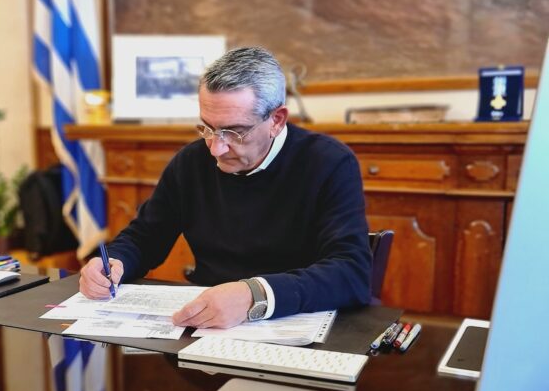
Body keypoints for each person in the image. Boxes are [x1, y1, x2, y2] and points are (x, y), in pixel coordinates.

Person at [80, 47, 372, 328]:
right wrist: (114, 263)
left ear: (276, 120)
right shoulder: (191, 162)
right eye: (207, 128)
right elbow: (145, 238)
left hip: (293, 327)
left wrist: (253, 294)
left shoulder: (328, 162)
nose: (215, 148)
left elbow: (351, 273)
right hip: (204, 328)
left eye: (234, 132)